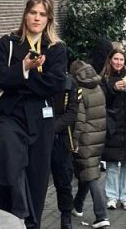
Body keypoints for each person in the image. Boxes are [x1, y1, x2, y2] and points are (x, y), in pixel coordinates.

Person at [0, 0, 69, 228]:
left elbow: (56, 85)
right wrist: (25, 68)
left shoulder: (56, 49)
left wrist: (17, 79)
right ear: (25, 14)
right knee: (7, 150)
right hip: (11, 114)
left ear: (48, 19)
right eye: (33, 12)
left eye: (42, 14)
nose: (37, 18)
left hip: (41, 119)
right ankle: (17, 211)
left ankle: (31, 223)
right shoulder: (7, 43)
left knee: (37, 179)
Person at [69, 60, 110, 229]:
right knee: (86, 172)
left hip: (85, 138)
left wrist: (75, 141)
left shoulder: (80, 91)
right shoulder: (98, 87)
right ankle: (77, 206)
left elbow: (79, 120)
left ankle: (101, 215)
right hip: (98, 137)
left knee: (91, 176)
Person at [100, 49, 126, 211]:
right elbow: (101, 100)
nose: (118, 62)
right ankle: (111, 197)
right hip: (112, 126)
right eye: (115, 59)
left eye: (121, 59)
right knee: (111, 163)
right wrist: (114, 89)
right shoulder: (104, 79)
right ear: (110, 60)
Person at [50, 62, 78, 229]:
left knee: (63, 179)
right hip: (41, 134)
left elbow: (72, 112)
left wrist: (54, 127)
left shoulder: (69, 83)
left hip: (61, 136)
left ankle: (66, 215)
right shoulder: (40, 79)